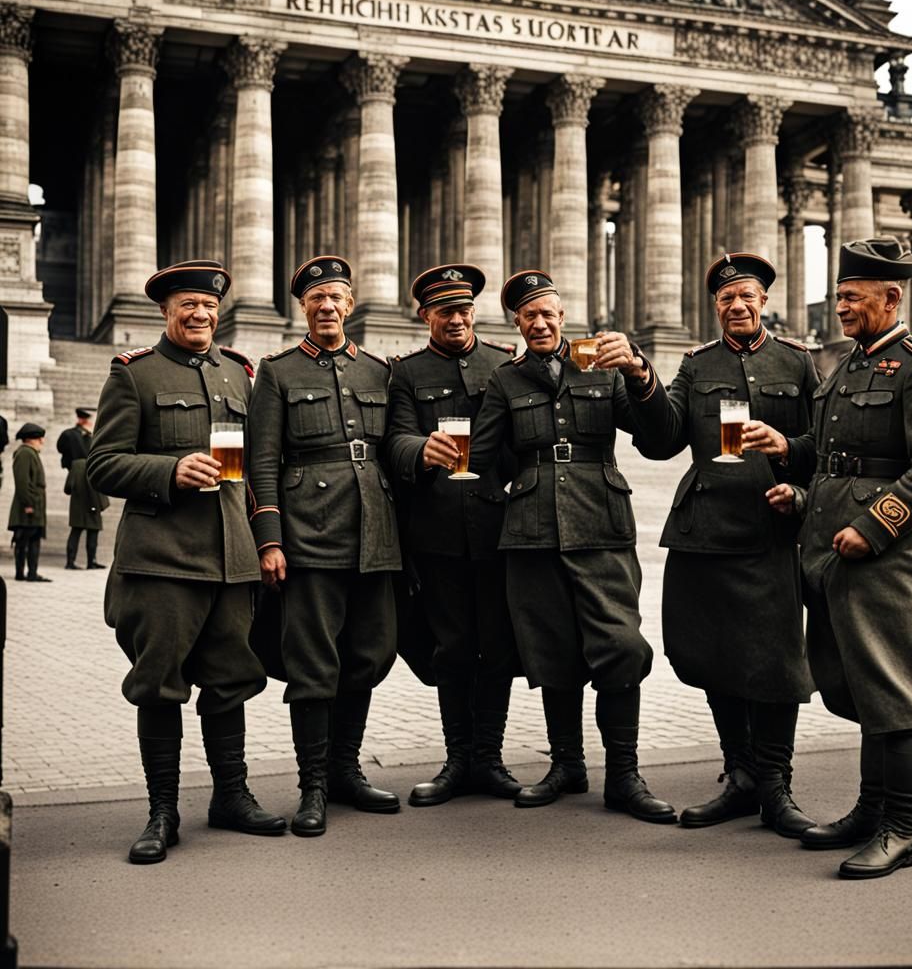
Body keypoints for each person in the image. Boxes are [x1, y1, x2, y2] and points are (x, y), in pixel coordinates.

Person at [750, 237, 912, 879]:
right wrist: (792, 462)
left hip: (883, 556)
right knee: (857, 684)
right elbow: (837, 452)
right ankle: (871, 808)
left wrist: (873, 526)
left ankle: (903, 827)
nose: (839, 306)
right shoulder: (847, 364)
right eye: (839, 295)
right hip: (832, 548)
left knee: (894, 689)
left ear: (890, 297)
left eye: (850, 297)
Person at [87, 259, 286, 864]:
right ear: (166, 313)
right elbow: (102, 465)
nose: (200, 315)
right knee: (160, 686)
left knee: (230, 681)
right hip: (163, 561)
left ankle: (231, 795)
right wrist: (168, 470)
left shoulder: (238, 373)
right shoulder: (134, 375)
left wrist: (266, 540)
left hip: (230, 558)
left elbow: (256, 470)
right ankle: (162, 810)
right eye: (187, 307)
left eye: (207, 306)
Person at [467, 269, 676, 825]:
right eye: (529, 315)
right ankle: (566, 765)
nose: (540, 323)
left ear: (564, 318)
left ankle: (625, 775)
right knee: (552, 653)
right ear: (517, 322)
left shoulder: (599, 365)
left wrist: (639, 371)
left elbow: (657, 440)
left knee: (621, 647)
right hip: (532, 531)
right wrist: (439, 452)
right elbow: (479, 459)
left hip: (601, 524)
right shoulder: (505, 381)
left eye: (548, 313)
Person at [627, 252, 819, 838]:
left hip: (768, 530)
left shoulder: (799, 363)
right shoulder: (695, 364)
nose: (736, 306)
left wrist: (791, 466)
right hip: (704, 530)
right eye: (725, 299)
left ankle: (775, 785)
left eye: (746, 297)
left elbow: (826, 444)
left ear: (765, 302)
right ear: (715, 307)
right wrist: (642, 382)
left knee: (777, 662)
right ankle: (739, 774)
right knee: (714, 655)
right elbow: (661, 440)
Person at [247, 255, 401, 838]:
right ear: (304, 309)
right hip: (310, 534)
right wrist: (270, 540)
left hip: (374, 532)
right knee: (314, 664)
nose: (328, 307)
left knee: (370, 652)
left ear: (351, 303)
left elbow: (391, 451)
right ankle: (313, 785)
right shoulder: (278, 371)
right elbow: (262, 461)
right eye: (317, 300)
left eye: (337, 298)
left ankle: (344, 771)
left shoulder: (378, 371)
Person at [384, 264, 523, 806]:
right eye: (446, 312)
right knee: (453, 648)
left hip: (497, 526)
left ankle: (489, 757)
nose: (458, 319)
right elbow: (394, 440)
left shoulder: (503, 364)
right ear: (426, 317)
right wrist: (421, 451)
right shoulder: (407, 372)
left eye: (464, 310)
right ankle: (457, 758)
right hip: (438, 530)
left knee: (498, 646)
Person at [57, 407, 108, 570]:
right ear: (84, 420)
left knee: (78, 527)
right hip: (86, 475)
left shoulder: (69, 434)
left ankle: (73, 561)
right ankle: (88, 561)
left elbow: (62, 451)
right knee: (88, 526)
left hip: (78, 475)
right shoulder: (78, 436)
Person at [8, 423, 49, 582]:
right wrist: (29, 504)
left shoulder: (30, 453)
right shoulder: (25, 453)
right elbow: (22, 482)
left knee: (33, 540)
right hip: (28, 507)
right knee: (23, 540)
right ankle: (21, 573)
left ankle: (32, 573)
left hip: (34, 505)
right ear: (31, 439)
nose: (42, 442)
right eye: (39, 438)